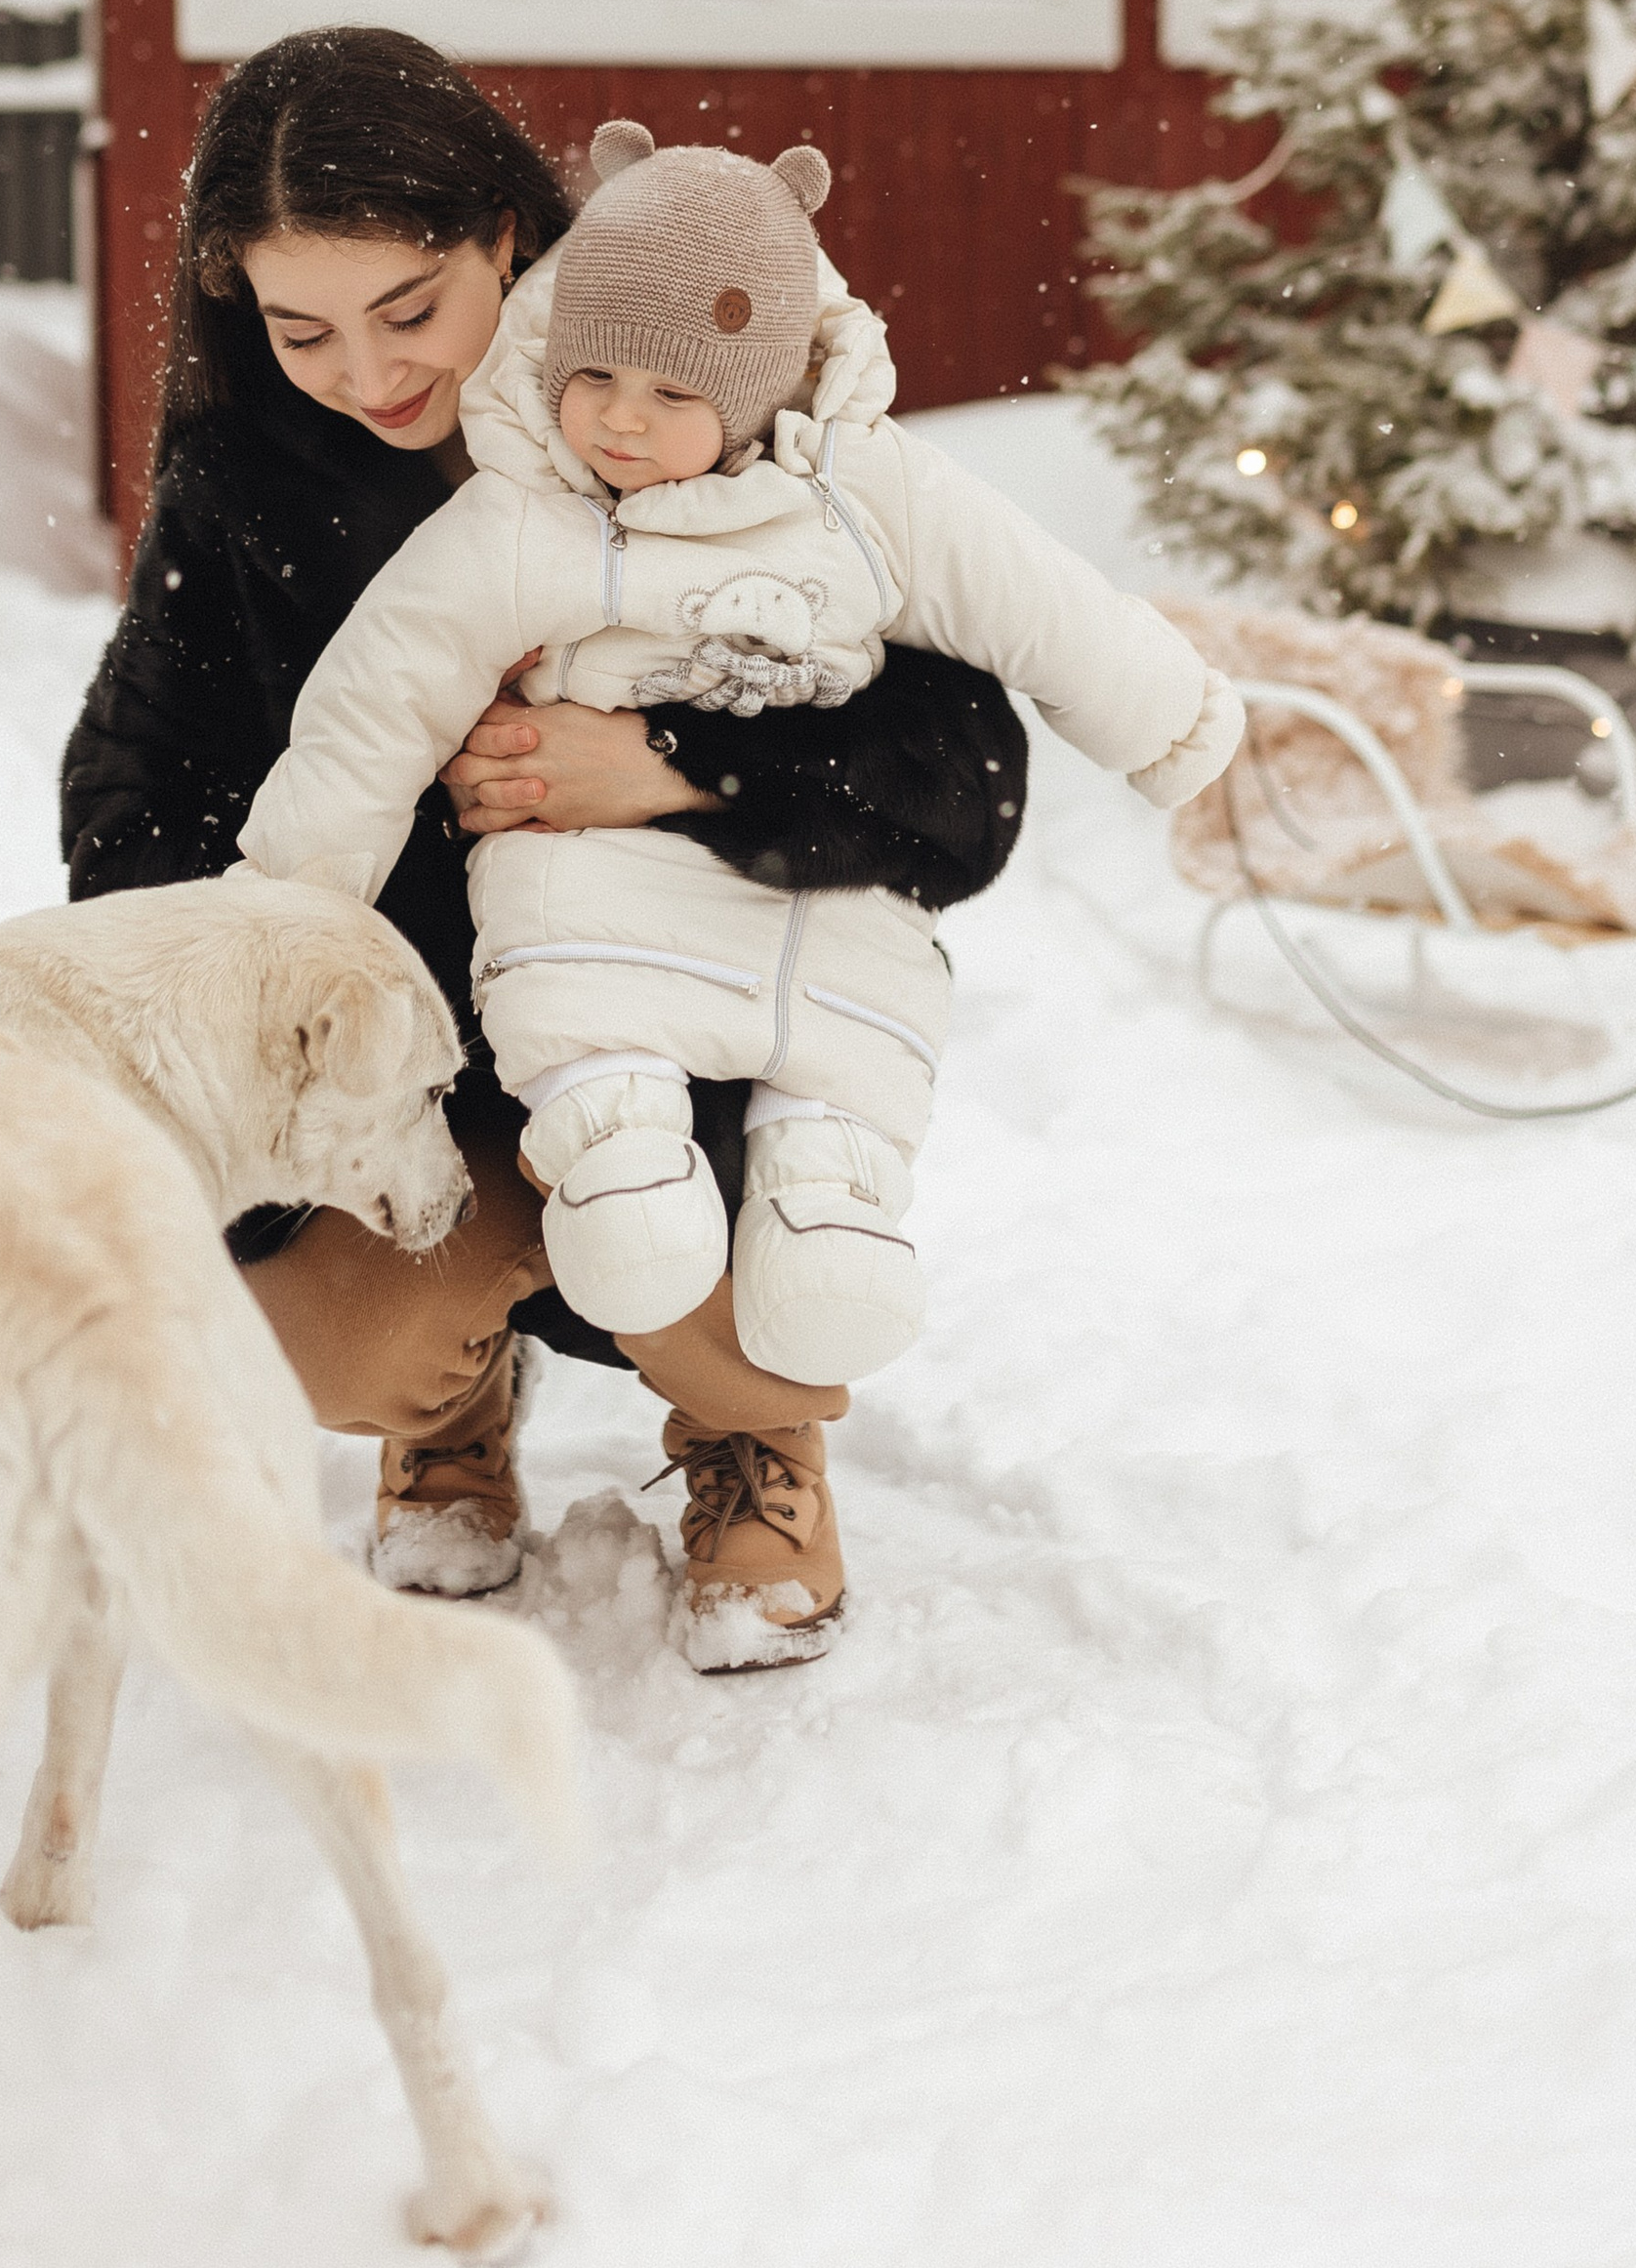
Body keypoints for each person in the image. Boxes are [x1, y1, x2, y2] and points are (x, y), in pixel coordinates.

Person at [61, 28, 1030, 1671]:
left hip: (686, 1018)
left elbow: (964, 777)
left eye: (408, 310)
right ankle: (446, 1402)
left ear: (509, 239)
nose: (365, 373)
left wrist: (671, 765)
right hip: (427, 1059)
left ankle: (752, 1434)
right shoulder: (242, 484)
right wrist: (318, 929)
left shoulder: (708, 380)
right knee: (334, 1339)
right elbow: (131, 812)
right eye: (302, 329)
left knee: (748, 1290)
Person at [240, 119, 1241, 1392]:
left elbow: (1039, 607)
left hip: (813, 913)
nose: (616, 422)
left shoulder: (868, 499)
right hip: (598, 906)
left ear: (760, 391)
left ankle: (830, 1216)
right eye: (594, 378)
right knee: (590, 1042)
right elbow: (370, 713)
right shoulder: (518, 520)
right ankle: (611, 1169)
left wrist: (1169, 721)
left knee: (849, 1051)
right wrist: (285, 922)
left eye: (673, 395)